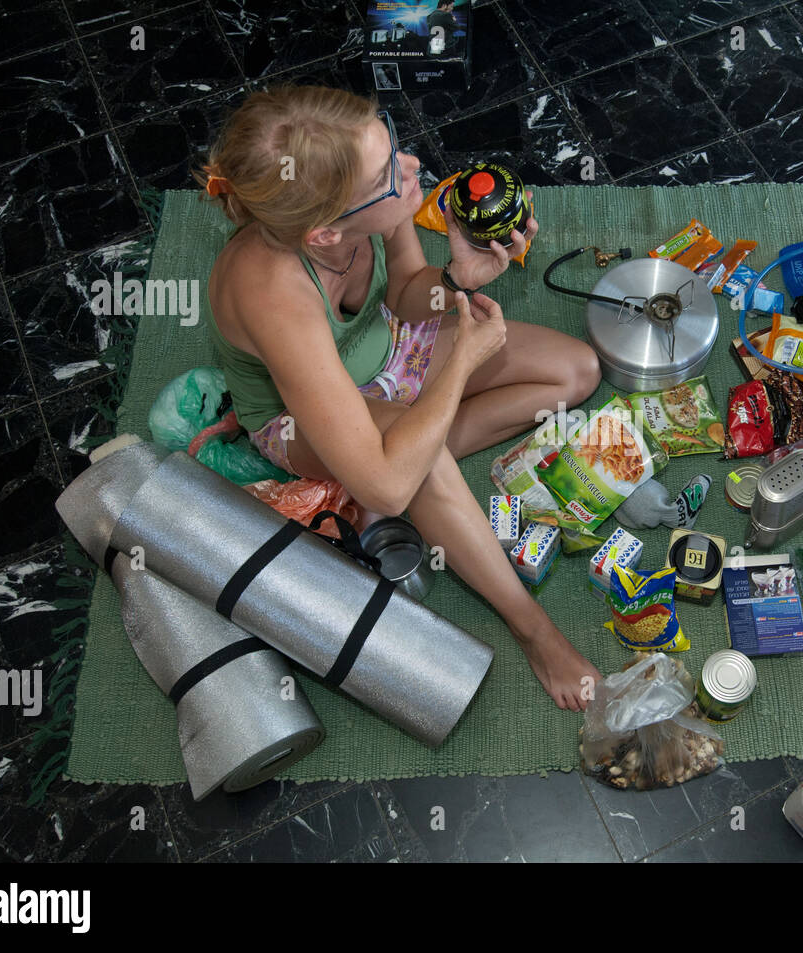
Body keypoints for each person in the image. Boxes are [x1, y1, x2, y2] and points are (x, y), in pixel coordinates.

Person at [195, 85, 603, 711]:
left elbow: (408, 292)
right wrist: (461, 360)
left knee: (574, 373)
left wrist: (454, 278)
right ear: (326, 233)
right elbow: (385, 488)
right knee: (401, 476)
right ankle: (535, 630)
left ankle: (415, 463)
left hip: (388, 354)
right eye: (388, 173)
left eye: (393, 147)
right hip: (300, 417)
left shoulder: (372, 212)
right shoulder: (272, 295)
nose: (412, 168)